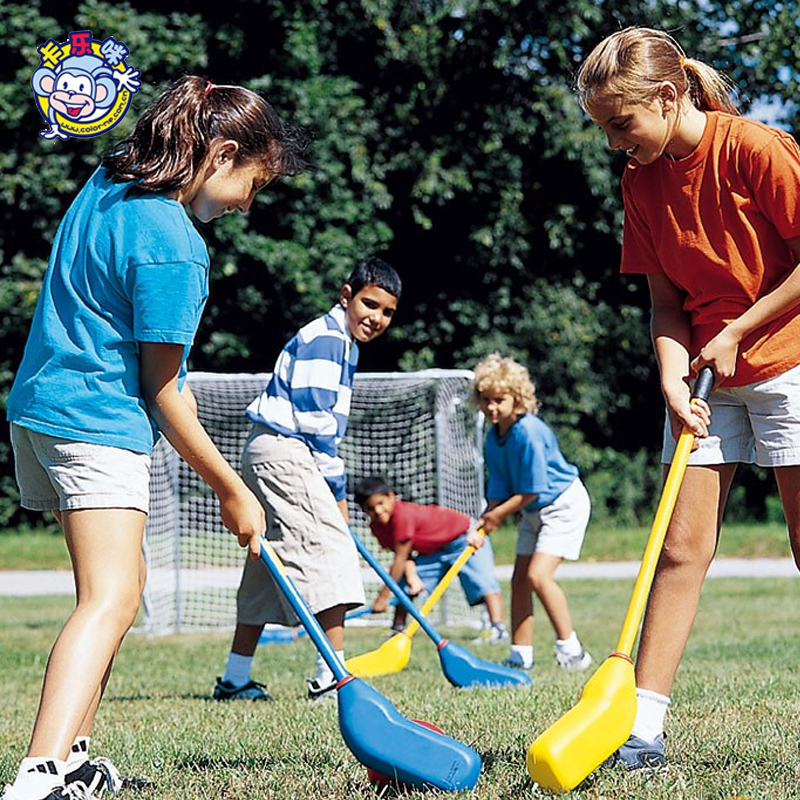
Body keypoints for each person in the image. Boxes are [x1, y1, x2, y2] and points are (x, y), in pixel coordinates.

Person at [1, 76, 306, 800]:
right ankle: (38, 775)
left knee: (123, 589)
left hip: (42, 409)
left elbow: (161, 374)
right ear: (221, 151)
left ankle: (72, 761)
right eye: (251, 184)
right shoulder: (176, 246)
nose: (245, 205)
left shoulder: (109, 182)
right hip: (96, 420)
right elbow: (161, 391)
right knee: (107, 599)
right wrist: (234, 491)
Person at [575, 26, 800, 770]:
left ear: (668, 98)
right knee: (679, 549)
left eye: (621, 124)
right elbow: (666, 302)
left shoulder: (754, 149)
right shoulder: (640, 183)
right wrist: (670, 373)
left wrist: (740, 328)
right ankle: (642, 731)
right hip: (706, 380)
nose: (614, 142)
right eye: (604, 128)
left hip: (787, 363)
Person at [213, 257, 402, 703]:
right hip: (286, 450)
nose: (376, 318)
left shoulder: (342, 341)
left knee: (267, 565)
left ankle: (234, 678)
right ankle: (331, 679)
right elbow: (317, 424)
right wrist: (337, 496)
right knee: (330, 551)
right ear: (346, 295)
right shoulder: (328, 339)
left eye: (387, 312)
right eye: (369, 304)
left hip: (272, 450)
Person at [472, 354, 593, 672]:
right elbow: (498, 489)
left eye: (499, 400)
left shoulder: (529, 432)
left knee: (538, 576)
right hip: (532, 510)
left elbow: (532, 489)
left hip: (561, 504)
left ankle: (573, 651)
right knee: (519, 580)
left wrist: (497, 516)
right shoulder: (494, 436)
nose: (492, 407)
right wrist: (485, 521)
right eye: (486, 400)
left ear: (517, 397)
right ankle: (519, 655)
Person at [353, 476, 509, 643]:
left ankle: (498, 629)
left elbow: (400, 558)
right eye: (370, 508)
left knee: (483, 582)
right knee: (405, 585)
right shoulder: (377, 527)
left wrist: (382, 598)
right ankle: (398, 629)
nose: (377, 511)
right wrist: (412, 576)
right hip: (434, 551)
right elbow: (405, 556)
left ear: (391, 496)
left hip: (464, 538)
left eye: (380, 503)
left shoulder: (402, 515)